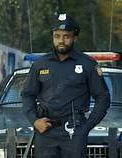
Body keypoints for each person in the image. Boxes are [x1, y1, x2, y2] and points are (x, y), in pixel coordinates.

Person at [21, 13, 110, 158]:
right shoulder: (40, 64)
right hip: (45, 131)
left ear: (75, 38)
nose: (61, 40)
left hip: (74, 132)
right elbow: (27, 95)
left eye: (66, 36)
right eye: (57, 36)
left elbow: (103, 97)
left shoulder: (87, 64)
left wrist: (86, 127)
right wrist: (35, 120)